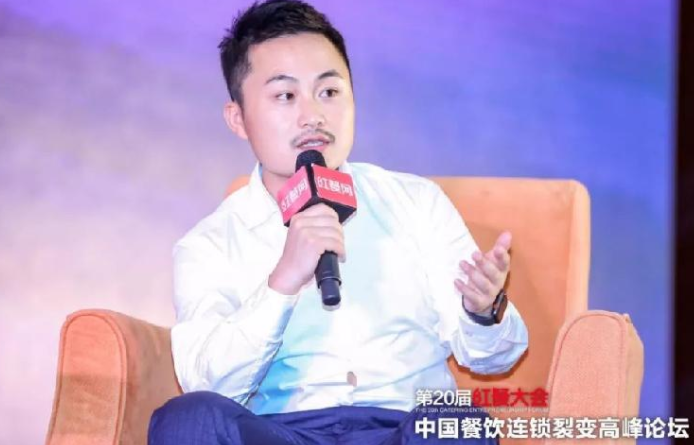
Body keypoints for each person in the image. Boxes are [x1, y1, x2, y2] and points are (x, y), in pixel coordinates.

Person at [149, 1, 528, 443]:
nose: (313, 115)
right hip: (280, 434)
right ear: (239, 119)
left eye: (329, 92)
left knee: (455, 424)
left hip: (403, 428)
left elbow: (493, 359)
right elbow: (207, 382)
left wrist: (481, 311)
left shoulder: (416, 202)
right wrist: (283, 282)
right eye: (286, 96)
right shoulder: (209, 244)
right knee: (188, 419)